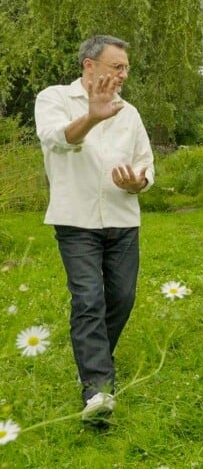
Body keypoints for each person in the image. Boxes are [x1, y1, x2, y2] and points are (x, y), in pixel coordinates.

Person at [35, 35, 154, 422]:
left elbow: (146, 164)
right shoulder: (53, 98)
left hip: (122, 218)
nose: (123, 75)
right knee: (88, 299)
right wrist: (91, 116)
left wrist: (140, 182)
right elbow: (57, 141)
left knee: (122, 296)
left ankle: (94, 358)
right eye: (116, 67)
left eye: (126, 68)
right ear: (90, 65)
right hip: (76, 219)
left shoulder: (130, 113)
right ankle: (98, 389)